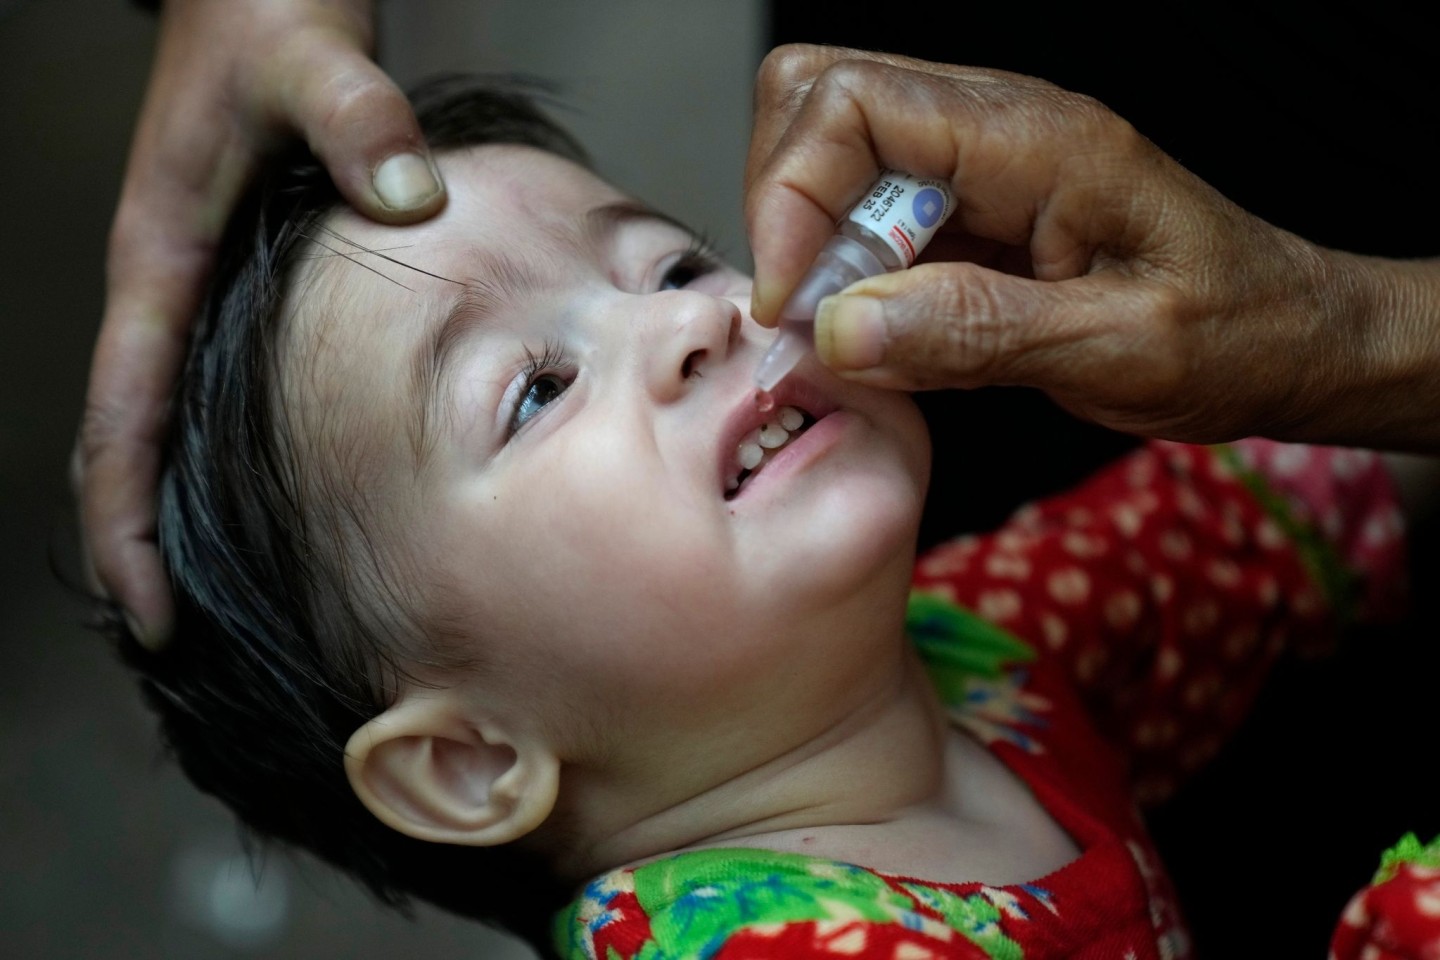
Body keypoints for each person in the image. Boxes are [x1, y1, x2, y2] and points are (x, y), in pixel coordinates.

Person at [116, 73, 1423, 960]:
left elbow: (1233, 529)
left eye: (671, 261)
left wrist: (1358, 358)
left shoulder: (960, 653)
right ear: (471, 761)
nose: (694, 320)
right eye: (534, 391)